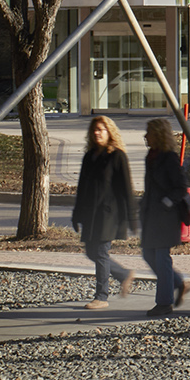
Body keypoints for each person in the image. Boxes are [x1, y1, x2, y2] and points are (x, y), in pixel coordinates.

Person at [70, 113, 137, 310]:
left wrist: (132, 218)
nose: (97, 133)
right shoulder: (89, 157)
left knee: (100, 252)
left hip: (109, 214)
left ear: (110, 132)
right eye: (95, 130)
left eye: (101, 129)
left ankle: (101, 296)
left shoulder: (117, 156)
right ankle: (124, 274)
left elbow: (127, 189)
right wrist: (76, 214)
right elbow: (82, 187)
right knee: (91, 251)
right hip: (91, 214)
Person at [139, 117, 190, 316]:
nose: (145, 136)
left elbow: (180, 187)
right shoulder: (151, 156)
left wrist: (166, 203)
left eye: (149, 132)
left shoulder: (168, 157)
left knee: (162, 258)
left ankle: (164, 302)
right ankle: (179, 283)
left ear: (158, 135)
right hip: (151, 215)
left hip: (166, 217)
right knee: (148, 254)